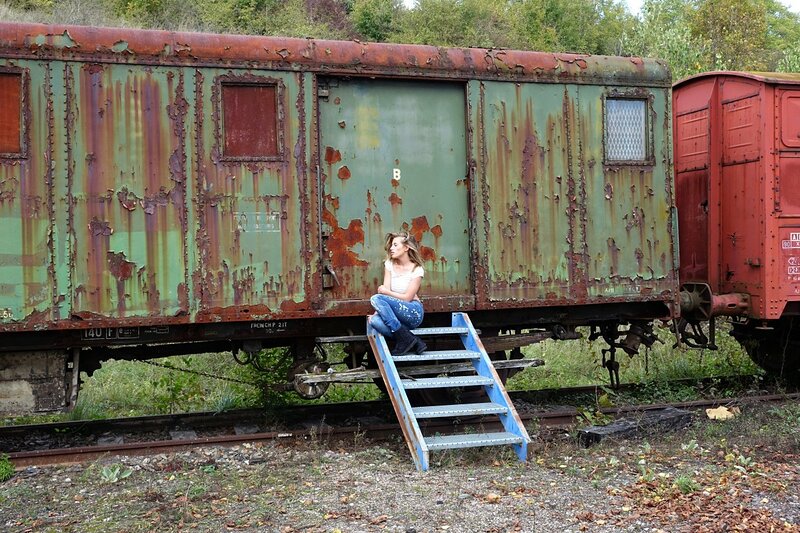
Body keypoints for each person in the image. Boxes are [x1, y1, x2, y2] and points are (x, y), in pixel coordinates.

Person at [369, 231, 427, 355]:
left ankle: (407, 339)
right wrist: (377, 312)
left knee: (376, 298)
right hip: (396, 314)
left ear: (406, 248)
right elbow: (385, 296)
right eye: (391, 245)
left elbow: (406, 298)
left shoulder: (417, 269)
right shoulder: (389, 264)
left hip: (413, 312)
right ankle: (411, 339)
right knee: (374, 321)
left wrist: (386, 292)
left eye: (395, 245)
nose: (391, 248)